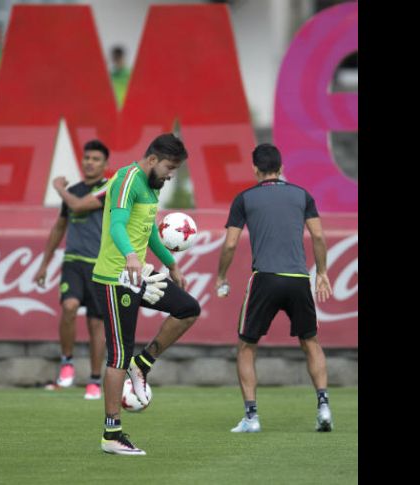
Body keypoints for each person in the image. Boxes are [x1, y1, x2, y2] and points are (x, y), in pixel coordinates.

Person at [92, 133, 201, 456]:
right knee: (116, 357)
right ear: (153, 159)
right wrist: (129, 256)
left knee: (188, 309)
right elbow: (117, 226)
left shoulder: (152, 185)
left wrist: (172, 264)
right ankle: (112, 434)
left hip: (139, 276)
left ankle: (143, 363)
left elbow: (149, 230)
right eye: (170, 167)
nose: (171, 175)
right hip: (116, 278)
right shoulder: (127, 180)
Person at [214, 143, 334, 433]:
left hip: (265, 279)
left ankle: (252, 417)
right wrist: (322, 272)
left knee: (246, 347)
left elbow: (230, 243)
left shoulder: (244, 198)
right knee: (311, 342)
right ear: (281, 168)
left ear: (255, 169)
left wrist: (221, 276)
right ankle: (324, 407)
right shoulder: (302, 195)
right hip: (298, 279)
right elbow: (318, 236)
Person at [34, 140, 111, 400]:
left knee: (96, 324)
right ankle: (66, 362)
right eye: (87, 157)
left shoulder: (106, 189)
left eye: (95, 159)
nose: (89, 162)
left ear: (105, 164)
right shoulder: (75, 190)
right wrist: (44, 264)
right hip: (74, 262)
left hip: (100, 265)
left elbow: (78, 206)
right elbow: (59, 227)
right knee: (68, 307)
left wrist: (58, 189)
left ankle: (94, 380)